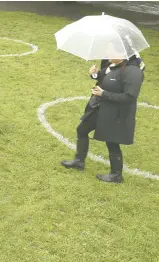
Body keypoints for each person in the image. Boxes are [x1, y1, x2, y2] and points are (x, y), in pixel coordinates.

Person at [61, 47, 145, 183]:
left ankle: (116, 175)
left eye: (113, 51)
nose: (108, 53)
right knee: (82, 129)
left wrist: (103, 94)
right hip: (99, 107)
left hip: (115, 112)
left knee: (111, 141)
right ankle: (79, 161)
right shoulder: (112, 64)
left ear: (124, 54)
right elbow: (103, 77)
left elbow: (129, 97)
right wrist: (94, 75)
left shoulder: (133, 72)